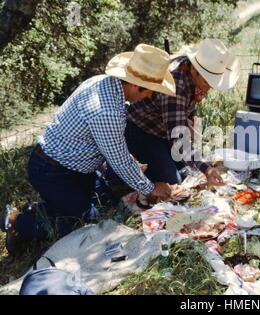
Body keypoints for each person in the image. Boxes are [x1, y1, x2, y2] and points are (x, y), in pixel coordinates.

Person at [0, 44, 177, 255]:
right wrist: (149, 188)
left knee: (108, 205)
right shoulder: (107, 110)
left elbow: (111, 146)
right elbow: (119, 161)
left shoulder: (104, 83)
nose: (149, 96)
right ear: (136, 85)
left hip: (71, 166)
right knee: (81, 223)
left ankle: (47, 207)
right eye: (150, 91)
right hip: (52, 170)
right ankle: (17, 223)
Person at [106, 38, 241, 191]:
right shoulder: (177, 85)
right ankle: (126, 182)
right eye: (207, 82)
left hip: (162, 128)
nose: (209, 88)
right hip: (139, 128)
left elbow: (185, 113)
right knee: (173, 182)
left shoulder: (191, 69)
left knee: (186, 172)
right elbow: (178, 140)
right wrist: (207, 169)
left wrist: (190, 125)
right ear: (194, 71)